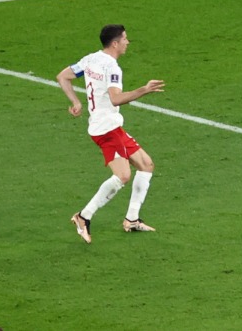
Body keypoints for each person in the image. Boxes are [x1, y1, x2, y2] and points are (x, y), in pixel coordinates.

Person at [57, 25, 166, 243]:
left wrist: (76, 102)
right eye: (125, 39)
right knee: (123, 175)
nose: (127, 42)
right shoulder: (112, 68)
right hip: (106, 129)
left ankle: (132, 220)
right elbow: (116, 98)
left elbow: (63, 76)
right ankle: (83, 216)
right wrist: (144, 90)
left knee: (146, 164)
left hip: (110, 126)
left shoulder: (90, 59)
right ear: (115, 43)